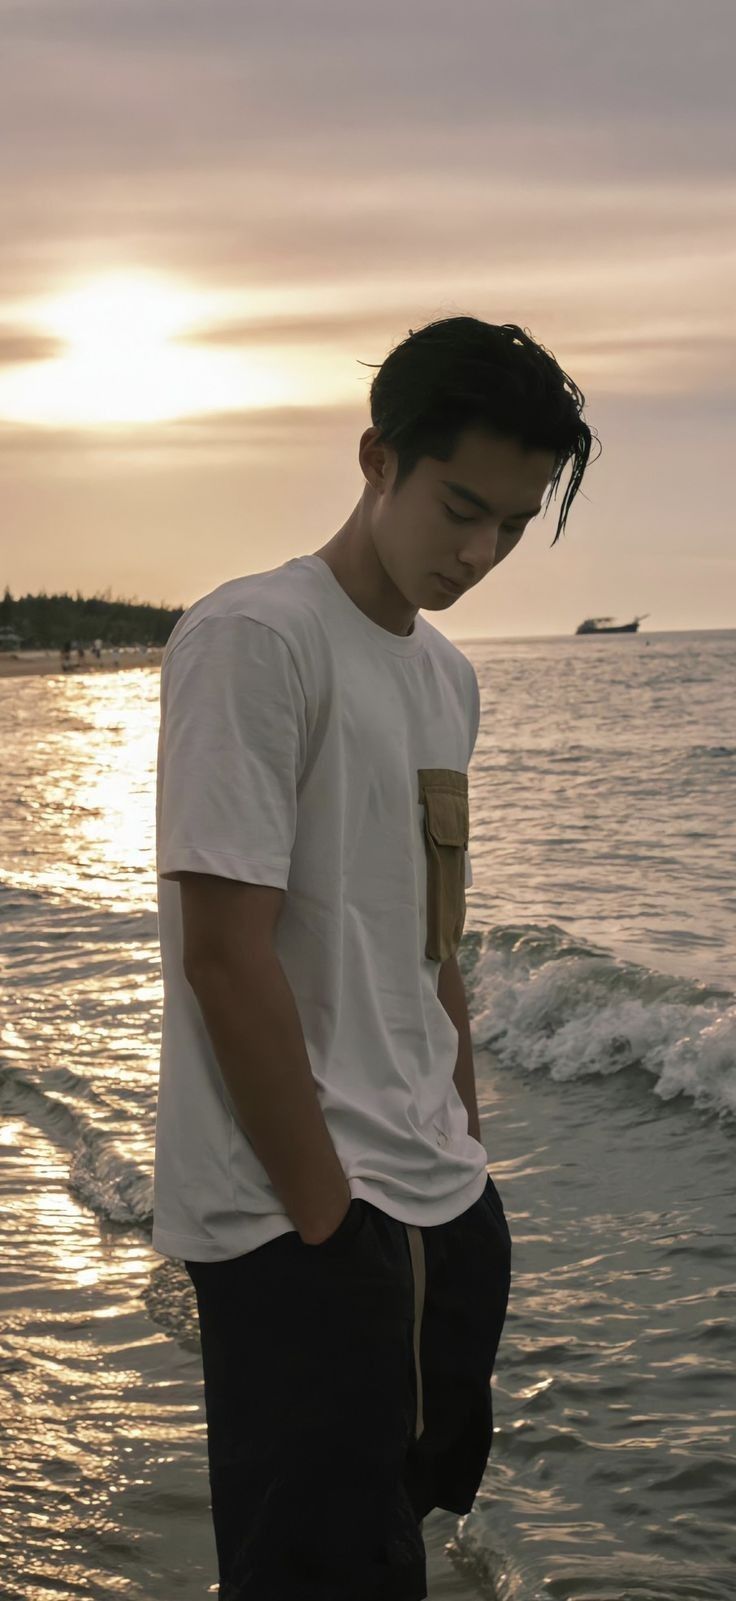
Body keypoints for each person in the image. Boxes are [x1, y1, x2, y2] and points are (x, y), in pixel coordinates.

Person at [153, 316, 599, 1600]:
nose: (480, 550)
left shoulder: (446, 676)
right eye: (462, 505)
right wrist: (322, 1214)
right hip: (298, 1221)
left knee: (397, 1534)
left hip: (441, 1199)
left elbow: (432, 940)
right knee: (316, 1571)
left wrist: (465, 1158)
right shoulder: (253, 638)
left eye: (512, 525)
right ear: (377, 458)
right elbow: (224, 954)